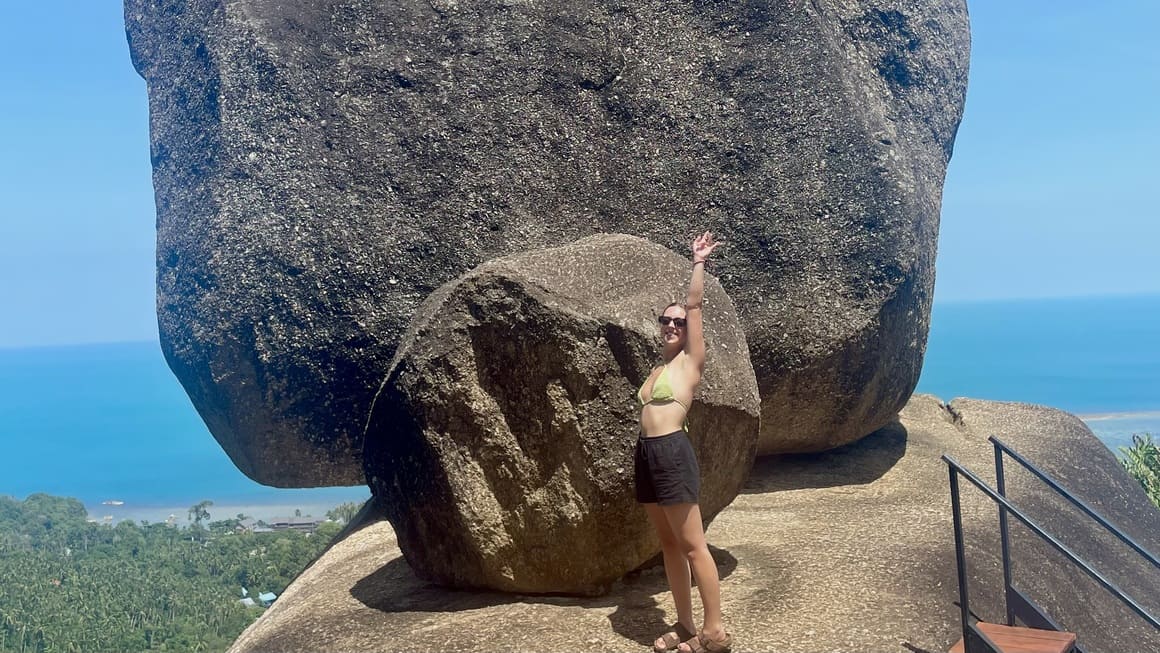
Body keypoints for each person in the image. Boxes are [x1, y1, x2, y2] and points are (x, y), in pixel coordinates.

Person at [636, 231, 733, 653]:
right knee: (669, 545)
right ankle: (684, 623)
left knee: (693, 546)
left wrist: (698, 262)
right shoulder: (658, 369)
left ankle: (714, 633)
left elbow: (695, 304)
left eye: (679, 321)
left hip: (673, 452)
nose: (673, 325)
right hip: (647, 455)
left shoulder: (691, 362)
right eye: (666, 321)